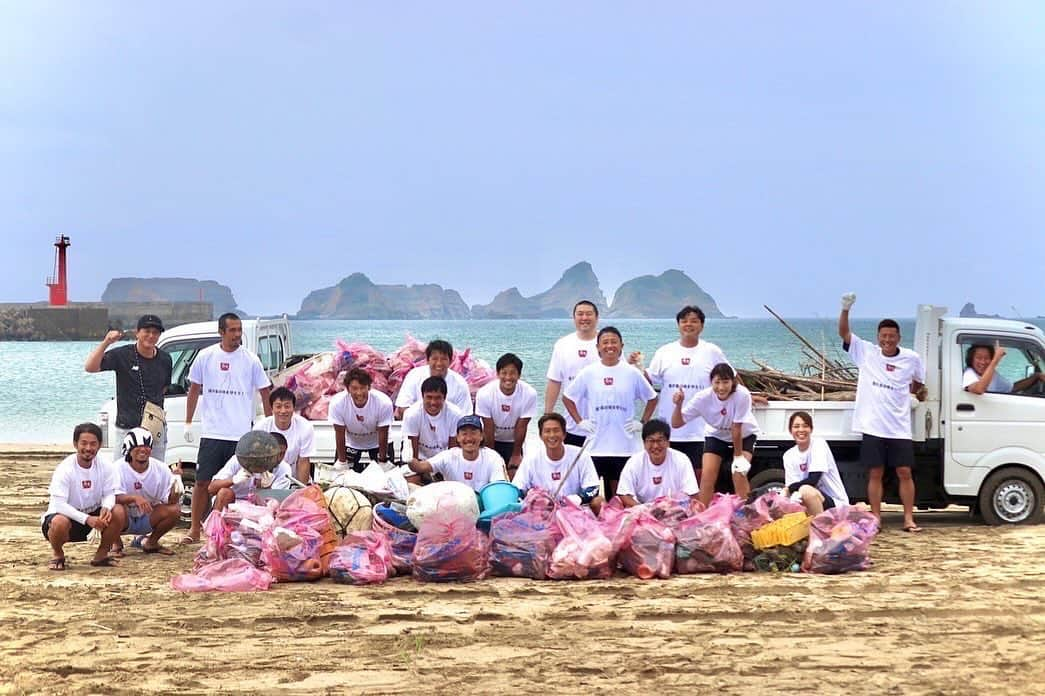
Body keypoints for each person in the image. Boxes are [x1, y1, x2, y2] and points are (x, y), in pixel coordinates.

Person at [838, 292, 927, 532]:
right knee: (875, 472)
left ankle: (909, 518)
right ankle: (876, 517)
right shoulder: (867, 352)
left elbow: (919, 383)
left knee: (904, 472)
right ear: (878, 337)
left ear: (899, 337)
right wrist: (846, 308)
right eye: (883, 336)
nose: (887, 340)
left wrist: (914, 394)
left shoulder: (911, 358)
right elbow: (844, 334)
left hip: (899, 426)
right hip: (873, 425)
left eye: (891, 336)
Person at [183, 312, 272, 543]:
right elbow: (194, 389)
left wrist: (269, 426)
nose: (236, 335)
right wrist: (188, 421)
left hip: (240, 434)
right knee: (203, 481)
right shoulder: (206, 356)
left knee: (243, 483)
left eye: (239, 330)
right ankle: (194, 530)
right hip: (212, 432)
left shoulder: (251, 359)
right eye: (232, 330)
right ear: (221, 332)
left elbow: (265, 391)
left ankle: (233, 529)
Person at [562, 326, 658, 499]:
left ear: (621, 345)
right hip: (595, 447)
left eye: (614, 342)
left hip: (624, 447)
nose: (609, 346)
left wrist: (642, 422)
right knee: (592, 498)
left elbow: (652, 398)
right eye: (605, 342)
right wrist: (579, 421)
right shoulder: (588, 372)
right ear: (598, 347)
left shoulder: (632, 373)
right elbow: (568, 398)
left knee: (620, 499)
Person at [633, 305, 730, 474]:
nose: (688, 324)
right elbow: (649, 380)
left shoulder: (711, 351)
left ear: (702, 325)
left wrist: (749, 396)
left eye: (694, 321)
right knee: (670, 476)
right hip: (670, 430)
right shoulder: (665, 352)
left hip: (701, 430)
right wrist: (637, 366)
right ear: (678, 325)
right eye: (684, 321)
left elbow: (730, 377)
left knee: (700, 476)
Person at [84, 314, 173, 460]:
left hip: (154, 426)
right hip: (127, 426)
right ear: (137, 333)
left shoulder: (165, 359)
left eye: (155, 332)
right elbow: (90, 367)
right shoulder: (123, 355)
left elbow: (164, 388)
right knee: (121, 471)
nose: (151, 336)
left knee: (155, 471)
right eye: (147, 331)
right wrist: (106, 342)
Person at [671, 363, 759, 506]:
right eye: (717, 382)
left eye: (725, 382)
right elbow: (676, 423)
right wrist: (678, 405)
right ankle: (703, 516)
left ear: (733, 382)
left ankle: (746, 512)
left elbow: (736, 428)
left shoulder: (742, 395)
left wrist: (738, 458)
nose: (721, 387)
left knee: (738, 473)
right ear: (711, 382)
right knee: (707, 476)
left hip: (744, 435)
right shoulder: (702, 398)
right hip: (716, 435)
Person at [41, 423, 126, 570]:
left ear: (100, 445)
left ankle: (101, 555)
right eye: (84, 443)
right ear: (75, 444)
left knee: (118, 510)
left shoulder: (106, 466)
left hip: (94, 518)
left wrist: (106, 507)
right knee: (59, 521)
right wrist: (87, 519)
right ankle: (58, 554)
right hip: (66, 521)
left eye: (93, 444)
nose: (88, 448)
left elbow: (109, 493)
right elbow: (59, 505)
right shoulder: (65, 469)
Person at [512, 412, 604, 514]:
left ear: (564, 434)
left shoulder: (581, 455)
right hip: (542, 512)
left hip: (574, 511)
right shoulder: (531, 459)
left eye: (556, 430)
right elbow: (517, 489)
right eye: (547, 431)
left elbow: (594, 488)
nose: (552, 435)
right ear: (541, 436)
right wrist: (532, 497)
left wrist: (578, 498)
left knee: (599, 501)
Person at [112, 428, 181, 556]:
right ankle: (115, 543)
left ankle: (151, 542)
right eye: (137, 446)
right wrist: (134, 498)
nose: (143, 450)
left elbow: (170, 500)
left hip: (148, 516)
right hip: (124, 518)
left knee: (175, 509)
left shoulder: (161, 468)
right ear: (129, 449)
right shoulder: (117, 468)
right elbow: (110, 497)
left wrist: (177, 482)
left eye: (146, 446)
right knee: (113, 508)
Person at [545, 300, 600, 446]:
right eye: (580, 314)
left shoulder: (607, 343)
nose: (584, 318)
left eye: (589, 314)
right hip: (572, 425)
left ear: (597, 317)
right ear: (574, 318)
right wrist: (547, 414)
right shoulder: (563, 345)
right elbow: (555, 381)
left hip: (603, 425)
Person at [474, 352, 538, 477]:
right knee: (489, 473)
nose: (508, 377)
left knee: (514, 474)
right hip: (491, 438)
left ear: (519, 375)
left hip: (513, 440)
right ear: (497, 374)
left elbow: (522, 426)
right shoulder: (484, 393)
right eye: (504, 373)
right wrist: (491, 456)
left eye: (512, 373)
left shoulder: (529, 393)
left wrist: (516, 454)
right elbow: (488, 426)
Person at [408, 415, 507, 491]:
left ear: (481, 436)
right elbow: (419, 467)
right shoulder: (448, 456)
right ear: (458, 438)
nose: (468, 438)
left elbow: (499, 487)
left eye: (473, 433)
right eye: (464, 433)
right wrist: (409, 459)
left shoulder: (493, 457)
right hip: (454, 508)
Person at [617, 419, 700, 507]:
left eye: (660, 440)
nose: (656, 446)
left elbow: (692, 493)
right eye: (651, 441)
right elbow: (624, 493)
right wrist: (642, 509)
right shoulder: (634, 462)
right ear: (644, 443)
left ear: (668, 442)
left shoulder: (682, 460)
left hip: (674, 510)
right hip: (643, 510)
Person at [780, 411, 849, 515]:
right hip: (808, 501)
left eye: (805, 426)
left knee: (805, 490)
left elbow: (813, 479)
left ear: (811, 429)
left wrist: (788, 489)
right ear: (790, 430)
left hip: (835, 505)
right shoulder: (788, 455)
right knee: (790, 500)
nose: (801, 430)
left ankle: (819, 528)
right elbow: (792, 487)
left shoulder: (819, 444)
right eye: (796, 426)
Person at [329, 368, 394, 471]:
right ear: (347, 388)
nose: (359, 393)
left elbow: (383, 432)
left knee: (386, 476)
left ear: (369, 387)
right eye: (354, 388)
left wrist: (382, 461)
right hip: (351, 442)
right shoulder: (337, 403)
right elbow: (339, 433)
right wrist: (342, 462)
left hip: (378, 442)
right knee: (340, 477)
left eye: (362, 388)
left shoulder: (383, 402)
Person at [209, 432, 294, 511]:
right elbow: (211, 489)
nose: (279, 458)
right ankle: (215, 526)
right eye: (276, 454)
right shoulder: (240, 459)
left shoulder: (284, 469)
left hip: (260, 509)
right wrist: (233, 480)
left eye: (282, 454)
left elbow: (275, 504)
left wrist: (265, 488)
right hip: (233, 503)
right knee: (225, 493)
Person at [253, 386, 316, 483]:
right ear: (271, 408)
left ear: (293, 408)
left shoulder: (305, 427)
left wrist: (300, 491)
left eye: (287, 406)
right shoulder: (260, 428)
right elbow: (257, 461)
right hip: (268, 482)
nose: (283, 411)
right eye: (278, 406)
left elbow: (303, 461)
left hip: (294, 481)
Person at [394, 339, 472, 417]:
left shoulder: (460, 383)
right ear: (427, 360)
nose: (439, 363)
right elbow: (403, 406)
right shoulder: (414, 375)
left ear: (450, 361)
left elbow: (465, 415)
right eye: (435, 359)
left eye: (443, 359)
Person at [401, 376, 465, 464]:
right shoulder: (411, 414)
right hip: (420, 459)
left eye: (438, 398)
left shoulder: (455, 414)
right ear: (422, 396)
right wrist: (421, 469)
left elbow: (452, 451)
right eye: (429, 397)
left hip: (444, 461)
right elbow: (413, 455)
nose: (433, 402)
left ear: (445, 397)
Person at [963, 342, 1045, 395]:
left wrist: (1035, 376)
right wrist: (995, 361)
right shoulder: (969, 373)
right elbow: (978, 389)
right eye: (979, 357)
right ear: (971, 359)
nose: (983, 362)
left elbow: (1012, 388)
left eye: (987, 358)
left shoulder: (991, 373)